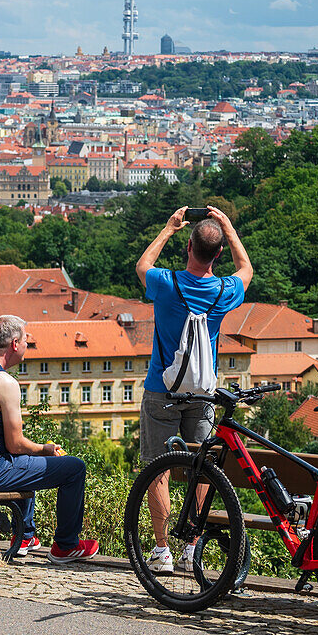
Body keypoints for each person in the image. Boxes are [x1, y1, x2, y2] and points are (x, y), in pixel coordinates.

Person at [135, 206, 253, 574]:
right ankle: (192, 546)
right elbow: (247, 269)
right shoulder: (224, 291)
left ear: (189, 246)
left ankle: (161, 549)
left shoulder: (167, 284)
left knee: (159, 470)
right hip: (202, 393)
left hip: (162, 389)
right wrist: (229, 229)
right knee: (202, 470)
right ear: (218, 253)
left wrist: (168, 228)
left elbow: (142, 265)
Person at [0, 315, 99, 563]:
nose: (28, 344)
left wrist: (33, 451)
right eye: (27, 339)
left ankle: (25, 536)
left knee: (26, 459)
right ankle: (66, 546)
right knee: (74, 468)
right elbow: (15, 444)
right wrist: (45, 449)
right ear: (15, 344)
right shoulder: (6, 383)